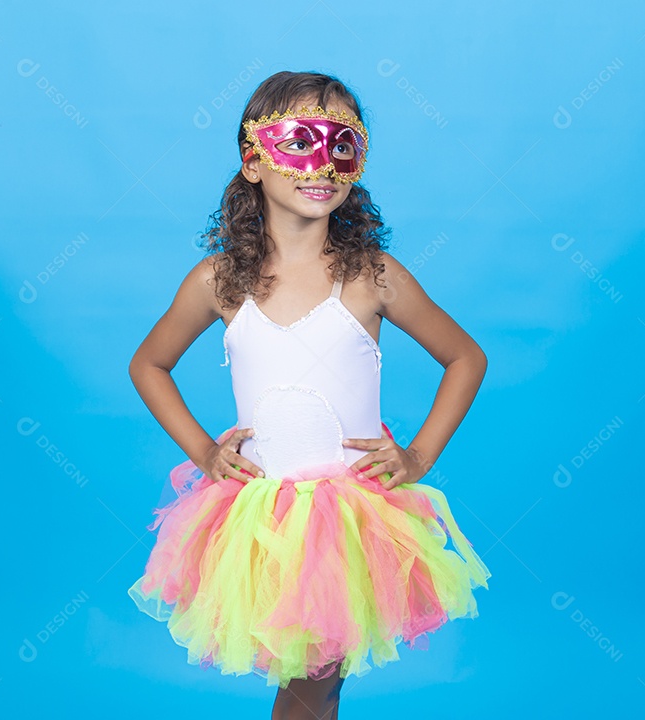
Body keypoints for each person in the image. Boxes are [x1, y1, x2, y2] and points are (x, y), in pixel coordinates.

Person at [127, 70, 491, 720]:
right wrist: (206, 453)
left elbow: (465, 357)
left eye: (342, 143)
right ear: (253, 159)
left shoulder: (371, 275)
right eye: (301, 141)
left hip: (350, 518)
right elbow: (150, 364)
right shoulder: (219, 282)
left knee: (319, 675)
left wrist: (418, 457)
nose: (322, 163)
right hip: (262, 521)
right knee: (314, 674)